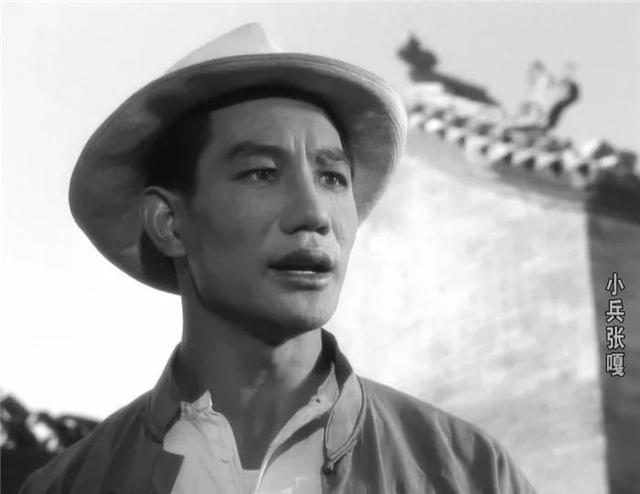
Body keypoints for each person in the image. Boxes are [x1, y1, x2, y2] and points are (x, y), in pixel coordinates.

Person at [19, 24, 536, 493]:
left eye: (332, 178)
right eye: (262, 173)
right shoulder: (74, 484)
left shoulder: (467, 472)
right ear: (169, 223)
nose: (314, 213)